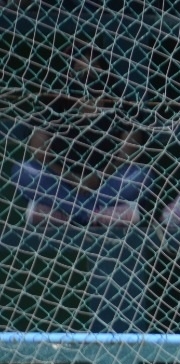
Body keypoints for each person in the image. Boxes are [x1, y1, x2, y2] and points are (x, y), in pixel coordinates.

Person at [10, 45, 151, 228]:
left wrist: (97, 177)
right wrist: (70, 178)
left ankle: (66, 214)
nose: (87, 78)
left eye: (94, 71)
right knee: (23, 171)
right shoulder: (53, 104)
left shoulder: (123, 106)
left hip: (106, 184)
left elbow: (127, 155)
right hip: (62, 183)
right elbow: (38, 150)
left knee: (141, 176)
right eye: (79, 71)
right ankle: (94, 214)